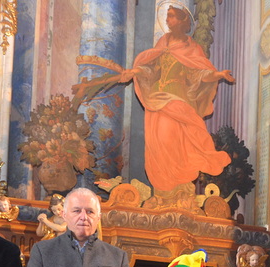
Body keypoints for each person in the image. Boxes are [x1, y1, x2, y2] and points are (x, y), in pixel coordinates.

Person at [74, 1, 232, 202]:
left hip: (179, 101)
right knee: (158, 142)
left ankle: (179, 186)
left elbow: (199, 73)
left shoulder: (192, 48)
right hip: (157, 101)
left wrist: (218, 74)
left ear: (183, 20)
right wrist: (136, 71)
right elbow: (151, 69)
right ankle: (163, 191)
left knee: (175, 142)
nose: (168, 20)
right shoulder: (163, 43)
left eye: (172, 16)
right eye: (167, 16)